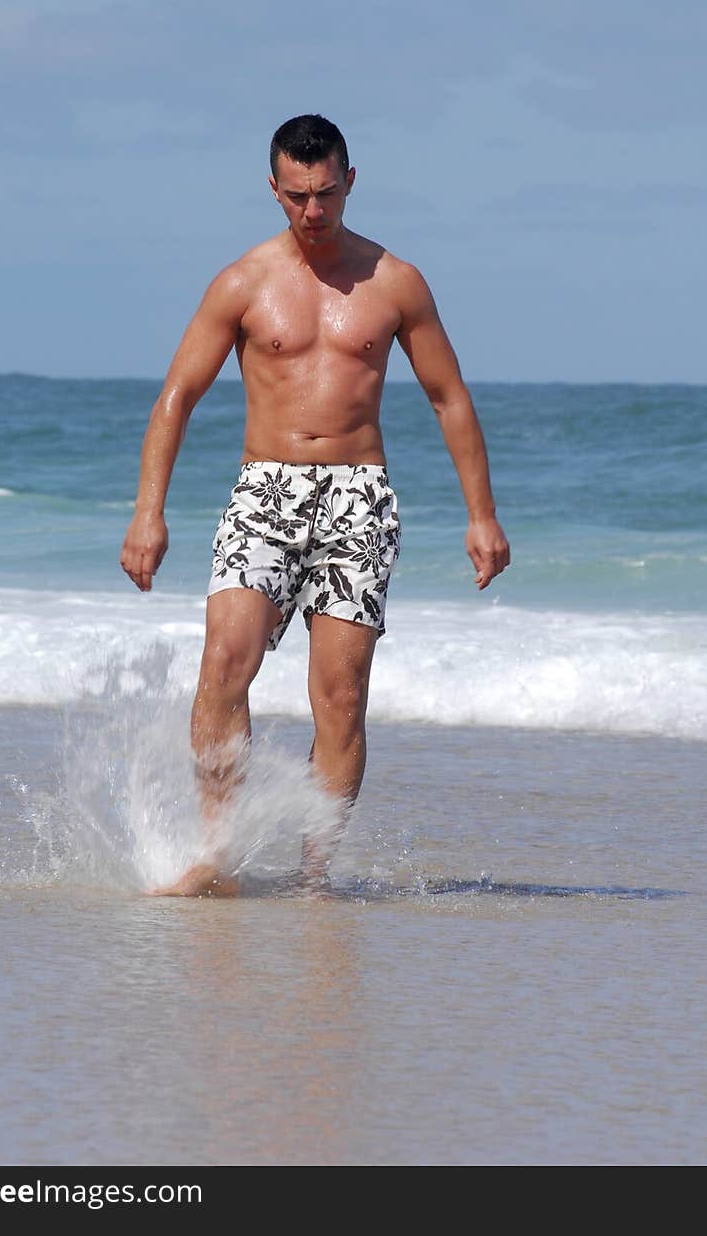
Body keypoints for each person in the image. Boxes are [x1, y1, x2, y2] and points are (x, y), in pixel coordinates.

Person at [120, 114, 510, 895]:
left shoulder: (394, 282)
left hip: (359, 498)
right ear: (274, 188)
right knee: (225, 661)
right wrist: (147, 511)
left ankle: (312, 874)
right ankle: (219, 853)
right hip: (265, 487)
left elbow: (448, 397)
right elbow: (177, 397)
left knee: (340, 694)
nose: (313, 210)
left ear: (350, 181)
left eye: (326, 192)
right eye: (297, 195)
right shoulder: (243, 282)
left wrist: (482, 513)